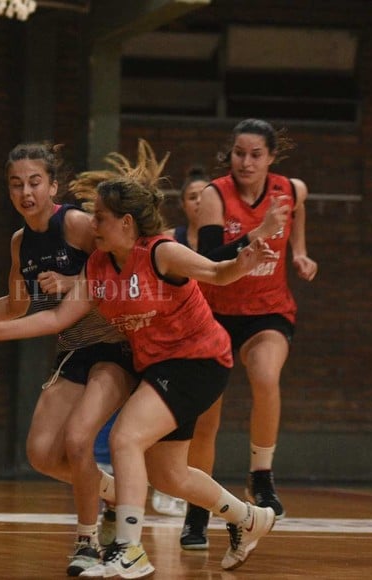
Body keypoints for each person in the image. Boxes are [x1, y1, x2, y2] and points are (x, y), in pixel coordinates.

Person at [0, 140, 279, 578]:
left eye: (100, 217)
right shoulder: (99, 267)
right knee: (168, 475)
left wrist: (245, 259)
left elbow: (217, 272)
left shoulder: (159, 252)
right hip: (156, 364)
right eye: (15, 184)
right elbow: (53, 317)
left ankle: (127, 548)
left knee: (123, 439)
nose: (93, 224)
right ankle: (248, 518)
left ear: (124, 222)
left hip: (196, 359)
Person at [0, 142, 136, 576]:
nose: (26, 192)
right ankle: (115, 492)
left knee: (77, 440)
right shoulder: (21, 243)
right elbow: (17, 304)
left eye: (35, 182)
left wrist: (74, 280)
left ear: (53, 186)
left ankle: (87, 542)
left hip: (115, 345)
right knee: (41, 454)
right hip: (72, 349)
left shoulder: (76, 224)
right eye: (16, 184)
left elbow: (127, 268)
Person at [177, 118, 318, 549]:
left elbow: (298, 211)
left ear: (271, 157)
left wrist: (299, 252)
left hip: (268, 311)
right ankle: (197, 509)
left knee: (266, 375)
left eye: (256, 154)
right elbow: (211, 259)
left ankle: (261, 475)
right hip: (215, 313)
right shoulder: (214, 195)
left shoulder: (291, 190)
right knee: (207, 418)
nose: (246, 162)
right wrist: (259, 233)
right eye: (239, 153)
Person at [151, 167, 210, 519]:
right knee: (169, 415)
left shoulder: (226, 241)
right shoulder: (169, 242)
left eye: (205, 195)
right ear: (184, 205)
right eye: (192, 196)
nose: (199, 202)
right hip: (173, 338)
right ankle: (167, 485)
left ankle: (194, 496)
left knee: (204, 424)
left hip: (210, 338)